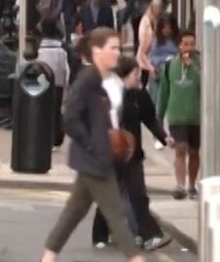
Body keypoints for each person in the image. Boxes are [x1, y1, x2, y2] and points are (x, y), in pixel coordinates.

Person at [40, 28, 145, 262]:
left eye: (119, 47)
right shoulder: (87, 79)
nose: (118, 53)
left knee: (74, 211)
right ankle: (135, 258)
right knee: (116, 213)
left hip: (95, 156)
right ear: (97, 50)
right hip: (94, 159)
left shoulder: (99, 79)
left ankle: (48, 257)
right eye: (114, 48)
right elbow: (69, 117)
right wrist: (92, 145)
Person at [90, 56, 174, 252]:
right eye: (136, 74)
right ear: (125, 76)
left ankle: (150, 235)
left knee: (138, 196)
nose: (139, 77)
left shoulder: (140, 95)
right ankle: (100, 234)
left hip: (133, 154)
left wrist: (165, 138)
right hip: (112, 154)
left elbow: (150, 120)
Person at [157, 29, 201, 200]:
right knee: (180, 150)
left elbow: (207, 85)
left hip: (196, 117)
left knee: (195, 152)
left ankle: (192, 185)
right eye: (185, 44)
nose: (189, 47)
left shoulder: (201, 63)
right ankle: (180, 185)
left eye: (192, 44)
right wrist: (159, 117)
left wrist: (194, 68)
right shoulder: (170, 65)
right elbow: (164, 92)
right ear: (179, 46)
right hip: (177, 115)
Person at [37, 21, 69, 148]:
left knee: (44, 111)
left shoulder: (40, 50)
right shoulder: (61, 50)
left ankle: (45, 137)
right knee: (56, 111)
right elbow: (66, 69)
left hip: (43, 84)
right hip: (58, 84)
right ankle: (56, 138)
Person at [142, 15, 178, 105]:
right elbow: (143, 53)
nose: (166, 30)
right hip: (156, 71)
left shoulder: (176, 39)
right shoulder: (153, 37)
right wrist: (150, 67)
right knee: (155, 99)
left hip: (171, 72)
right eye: (164, 28)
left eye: (169, 28)